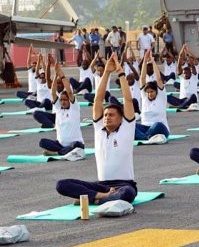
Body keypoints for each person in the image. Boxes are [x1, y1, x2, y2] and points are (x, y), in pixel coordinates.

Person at [55, 54, 138, 204]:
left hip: (124, 185)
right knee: (61, 185)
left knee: (127, 194)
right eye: (105, 115)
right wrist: (106, 72)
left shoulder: (127, 128)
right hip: (102, 187)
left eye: (111, 115)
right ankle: (102, 197)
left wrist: (120, 72)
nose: (107, 117)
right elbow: (98, 100)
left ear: (121, 118)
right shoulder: (99, 127)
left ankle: (91, 198)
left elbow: (128, 100)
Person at [38, 62, 85, 156]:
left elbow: (70, 92)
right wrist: (55, 76)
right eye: (61, 100)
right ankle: (63, 151)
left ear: (69, 100)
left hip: (75, 144)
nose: (62, 102)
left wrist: (62, 75)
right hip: (60, 144)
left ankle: (57, 153)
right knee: (42, 142)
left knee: (77, 146)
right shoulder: (59, 108)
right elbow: (53, 93)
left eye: (65, 100)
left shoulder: (74, 108)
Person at [135, 51, 171, 142]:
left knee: (157, 125)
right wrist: (144, 61)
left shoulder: (161, 97)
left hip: (160, 128)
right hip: (145, 128)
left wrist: (152, 61)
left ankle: (143, 137)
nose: (149, 94)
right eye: (147, 92)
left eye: (151, 92)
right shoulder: (145, 98)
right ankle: (146, 137)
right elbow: (142, 78)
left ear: (156, 91)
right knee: (131, 125)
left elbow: (158, 78)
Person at [167, 45, 199, 109]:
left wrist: (187, 53)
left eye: (187, 73)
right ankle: (183, 105)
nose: (185, 75)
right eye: (184, 73)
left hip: (192, 101)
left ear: (191, 73)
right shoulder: (182, 78)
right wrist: (182, 51)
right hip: (181, 101)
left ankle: (181, 106)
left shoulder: (194, 77)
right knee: (167, 97)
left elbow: (193, 64)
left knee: (193, 96)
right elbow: (179, 64)